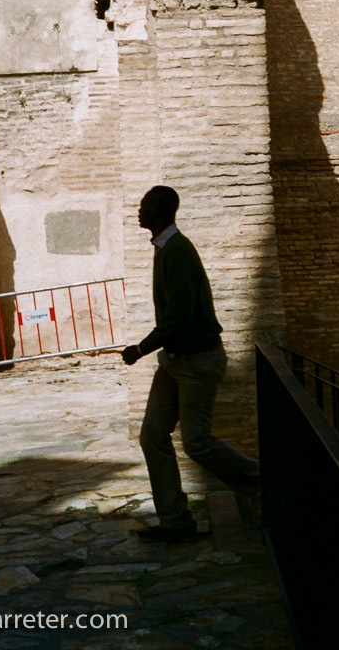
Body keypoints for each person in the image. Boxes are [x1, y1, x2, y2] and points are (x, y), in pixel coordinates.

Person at [122, 185, 260, 542]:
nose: (138, 211)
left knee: (196, 442)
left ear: (156, 213)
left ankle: (264, 483)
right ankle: (175, 521)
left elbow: (178, 315)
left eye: (143, 206)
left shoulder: (178, 250)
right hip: (175, 360)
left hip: (198, 360)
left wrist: (141, 348)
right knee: (153, 436)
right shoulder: (166, 248)